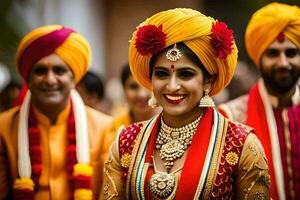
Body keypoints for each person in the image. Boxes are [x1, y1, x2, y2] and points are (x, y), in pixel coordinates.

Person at [100, 8, 270, 199]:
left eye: (186, 74)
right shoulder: (126, 141)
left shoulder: (240, 144)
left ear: (208, 81)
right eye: (162, 74)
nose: (172, 86)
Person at [0, 25, 113, 200]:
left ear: (73, 78)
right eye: (40, 71)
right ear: (27, 78)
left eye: (59, 70)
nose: (50, 80)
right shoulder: (3, 128)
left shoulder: (105, 128)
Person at [218, 3, 300, 200]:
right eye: (273, 53)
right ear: (258, 58)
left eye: (291, 53)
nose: (283, 63)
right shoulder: (231, 119)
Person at [109, 63, 157, 132]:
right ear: (124, 89)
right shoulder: (112, 129)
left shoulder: (172, 127)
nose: (141, 95)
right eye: (133, 87)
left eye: (147, 86)